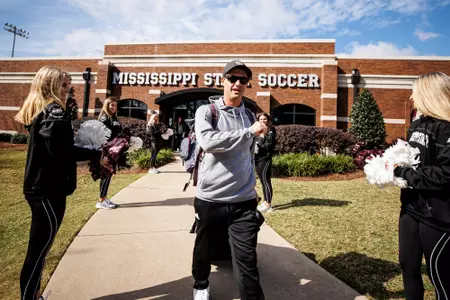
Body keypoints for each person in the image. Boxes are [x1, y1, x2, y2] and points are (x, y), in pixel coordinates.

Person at [15, 66, 99, 300]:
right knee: (38, 252)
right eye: (63, 85)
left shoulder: (43, 109)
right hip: (47, 191)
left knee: (39, 251)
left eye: (68, 85)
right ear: (48, 85)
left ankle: (34, 294)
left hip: (39, 188)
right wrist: (96, 153)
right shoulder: (54, 112)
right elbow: (62, 152)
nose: (67, 90)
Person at [192, 60, 267, 300]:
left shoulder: (249, 114)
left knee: (247, 261)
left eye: (243, 80)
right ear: (222, 81)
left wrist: (253, 186)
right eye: (232, 78)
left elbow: (248, 153)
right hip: (211, 198)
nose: (237, 83)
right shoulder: (207, 111)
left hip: (243, 200)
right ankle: (201, 284)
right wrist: (249, 132)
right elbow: (209, 142)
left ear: (247, 84)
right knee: (204, 249)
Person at [393, 72, 450, 299]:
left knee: (441, 279)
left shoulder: (446, 128)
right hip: (410, 209)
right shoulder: (417, 123)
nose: (411, 97)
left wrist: (404, 172)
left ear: (429, 95)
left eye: (415, 93)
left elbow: (446, 174)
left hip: (438, 217)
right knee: (408, 266)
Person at [96, 96, 122, 209]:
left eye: (115, 105)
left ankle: (104, 197)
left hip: (113, 150)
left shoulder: (113, 118)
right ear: (106, 105)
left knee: (109, 174)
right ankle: (101, 200)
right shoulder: (104, 118)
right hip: (106, 151)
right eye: (112, 105)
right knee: (106, 174)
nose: (114, 107)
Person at [255, 113, 276, 213]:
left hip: (265, 159)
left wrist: (260, 142)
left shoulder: (271, 130)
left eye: (264, 119)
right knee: (262, 181)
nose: (262, 121)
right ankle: (265, 201)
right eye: (260, 119)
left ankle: (268, 205)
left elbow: (269, 145)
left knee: (266, 181)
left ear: (268, 120)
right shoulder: (256, 130)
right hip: (257, 158)